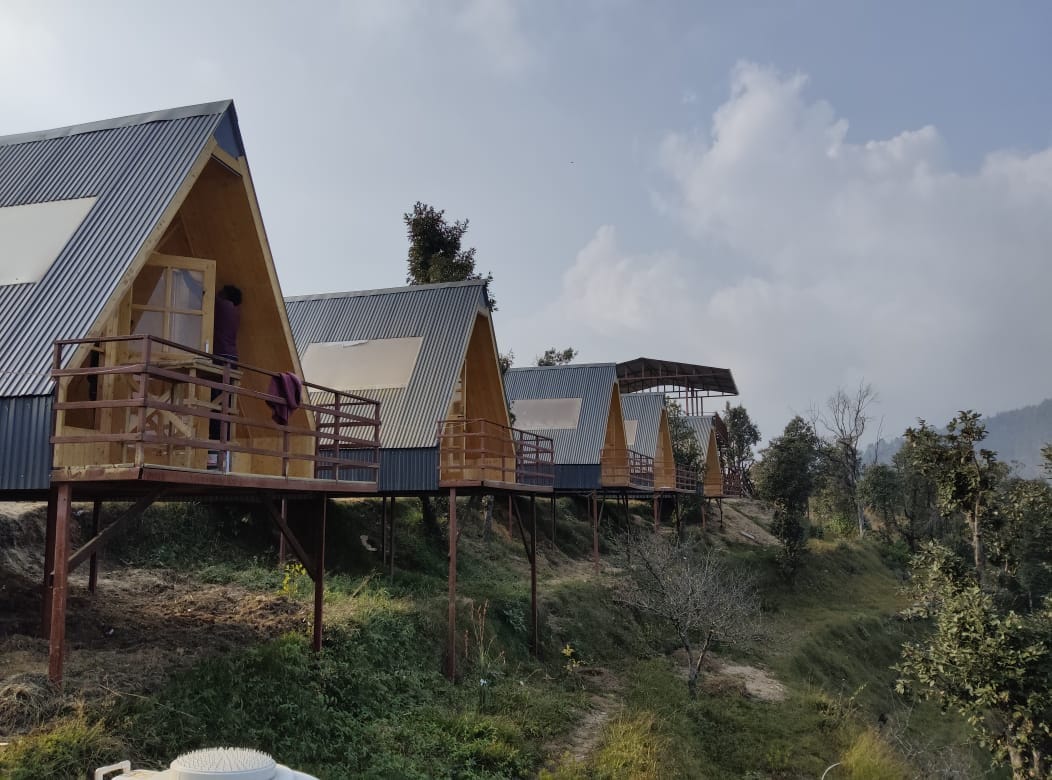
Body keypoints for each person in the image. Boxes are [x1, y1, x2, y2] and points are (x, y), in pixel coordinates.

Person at [209, 285, 242, 468]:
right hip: (231, 359)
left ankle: (216, 447)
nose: (219, 293)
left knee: (216, 402)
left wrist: (187, 276)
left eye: (222, 292)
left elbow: (205, 293)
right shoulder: (235, 312)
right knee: (226, 404)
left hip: (221, 359)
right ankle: (222, 448)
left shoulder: (224, 307)